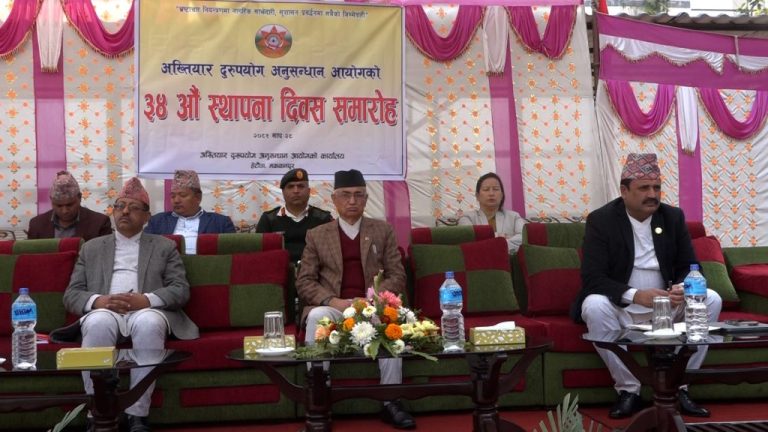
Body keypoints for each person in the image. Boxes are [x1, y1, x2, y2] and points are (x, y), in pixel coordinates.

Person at [572, 153, 722, 419]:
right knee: (593, 305)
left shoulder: (672, 217)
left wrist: (681, 286)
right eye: (644, 188)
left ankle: (678, 386)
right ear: (624, 191)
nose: (652, 194)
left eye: (656, 187)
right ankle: (628, 390)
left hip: (667, 307)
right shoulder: (602, 220)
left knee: (710, 299)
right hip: (623, 307)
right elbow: (593, 277)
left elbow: (690, 266)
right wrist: (636, 296)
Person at [58, 177, 199, 432]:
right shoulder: (91, 248)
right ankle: (97, 412)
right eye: (120, 206)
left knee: (149, 323)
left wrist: (146, 300)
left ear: (147, 217)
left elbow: (180, 289)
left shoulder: (165, 246)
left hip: (146, 310)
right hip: (105, 311)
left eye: (133, 208)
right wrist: (99, 301)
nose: (125, 212)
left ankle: (138, 415)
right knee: (98, 323)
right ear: (113, 211)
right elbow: (72, 294)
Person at [296, 169, 414, 430]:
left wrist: (373, 299)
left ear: (366, 199)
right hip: (335, 306)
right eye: (346, 195)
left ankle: (391, 402)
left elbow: (397, 275)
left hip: (372, 305)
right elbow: (304, 281)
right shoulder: (317, 234)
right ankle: (319, 402)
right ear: (334, 199)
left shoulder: (382, 230)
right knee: (316, 316)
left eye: (359, 195)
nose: (352, 201)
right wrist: (332, 301)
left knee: (391, 323)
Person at [144, 170, 236, 254]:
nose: (176, 200)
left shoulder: (221, 223)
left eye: (182, 195)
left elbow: (232, 255)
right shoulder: (157, 221)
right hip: (168, 266)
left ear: (198, 197)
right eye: (173, 196)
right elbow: (145, 251)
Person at [256, 168, 332, 261]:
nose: (296, 191)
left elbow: (331, 256)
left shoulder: (323, 219)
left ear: (309, 191)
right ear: (283, 192)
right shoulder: (268, 219)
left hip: (314, 269)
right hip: (278, 268)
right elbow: (259, 254)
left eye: (300, 186)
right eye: (290, 187)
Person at [27, 170, 112, 241]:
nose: (65, 211)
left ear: (80, 197)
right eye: (59, 206)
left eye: (69, 205)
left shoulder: (99, 223)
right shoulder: (37, 225)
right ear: (51, 200)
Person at [458, 172, 525, 253]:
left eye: (496, 189)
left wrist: (498, 243)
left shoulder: (514, 216)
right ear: (477, 196)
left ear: (502, 195)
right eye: (486, 189)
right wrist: (500, 238)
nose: (491, 193)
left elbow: (524, 237)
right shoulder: (467, 218)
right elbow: (469, 240)